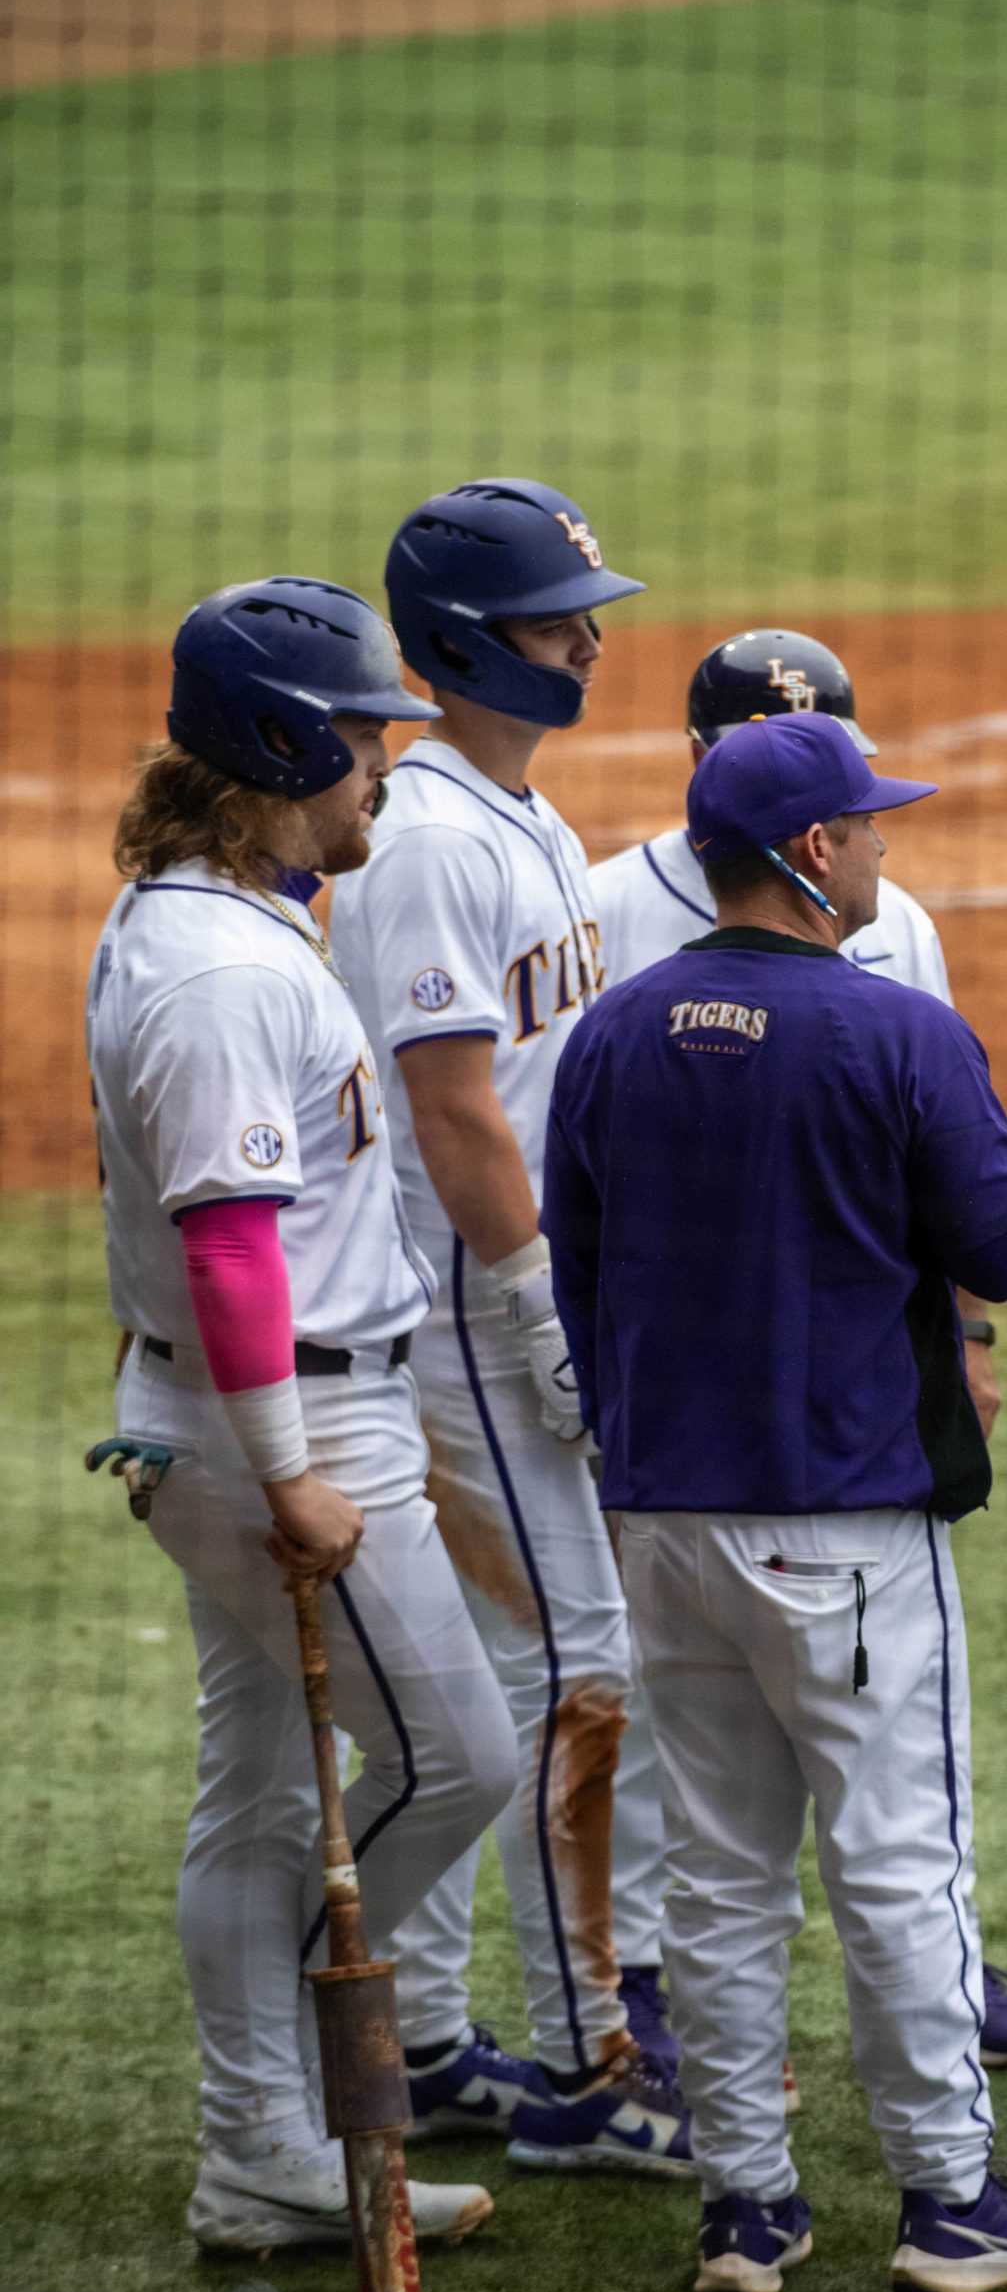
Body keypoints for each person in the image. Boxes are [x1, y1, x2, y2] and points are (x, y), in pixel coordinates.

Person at [544, 709, 1007, 2292]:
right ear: (817, 854)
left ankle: (747, 2213)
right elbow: (1001, 1245)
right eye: (872, 830)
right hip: (838, 1524)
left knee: (715, 1872)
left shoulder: (613, 1033)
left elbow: (571, 1269)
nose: (887, 851)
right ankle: (952, 2202)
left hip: (662, 1519)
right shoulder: (892, 1029)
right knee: (901, 1867)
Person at [86, 577, 518, 2253]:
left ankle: (254, 2161)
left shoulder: (222, 917)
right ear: (277, 748)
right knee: (455, 1759)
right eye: (358, 742)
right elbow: (226, 1243)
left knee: (264, 1795)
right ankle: (276, 2063)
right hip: (289, 1433)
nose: (383, 773)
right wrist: (288, 1476)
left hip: (248, 1410)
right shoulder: (212, 972)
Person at [589, 627, 1007, 2085]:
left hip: (837, 1389)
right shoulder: (603, 911)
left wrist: (963, 1338)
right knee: (780, 1755)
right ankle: (660, 1988)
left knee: (835, 1760)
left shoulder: (894, 922)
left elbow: (924, 1165)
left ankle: (908, 2012)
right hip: (718, 1408)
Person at [330, 478, 690, 2175]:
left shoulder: (524, 819)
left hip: (521, 1284)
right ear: (472, 639)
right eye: (560, 617)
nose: (592, 639)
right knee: (578, 1670)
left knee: (514, 1669)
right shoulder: (422, 845)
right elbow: (459, 1111)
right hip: (468, 1302)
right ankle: (596, 2062)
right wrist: (543, 1303)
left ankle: (447, 2035)